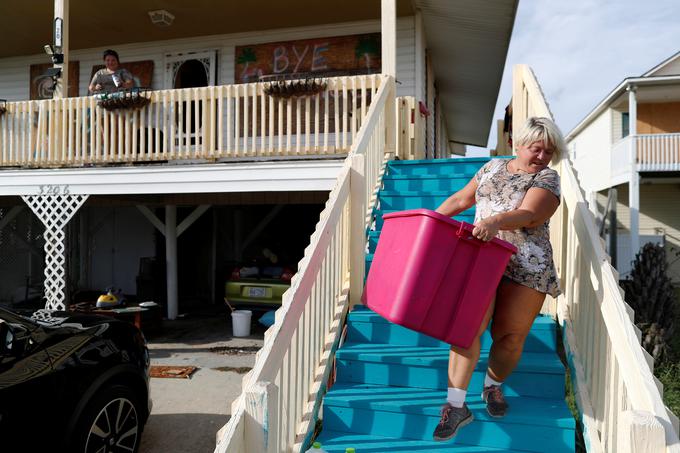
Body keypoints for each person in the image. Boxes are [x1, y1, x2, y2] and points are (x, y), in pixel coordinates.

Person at [431, 116, 565, 441]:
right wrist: (430, 223)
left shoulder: (549, 178)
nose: (542, 157)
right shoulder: (491, 168)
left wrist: (495, 221)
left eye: (548, 151)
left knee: (510, 336)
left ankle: (492, 385)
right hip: (480, 258)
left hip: (527, 264)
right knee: (466, 330)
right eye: (536, 149)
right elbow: (461, 200)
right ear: (518, 145)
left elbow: (531, 214)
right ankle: (456, 405)